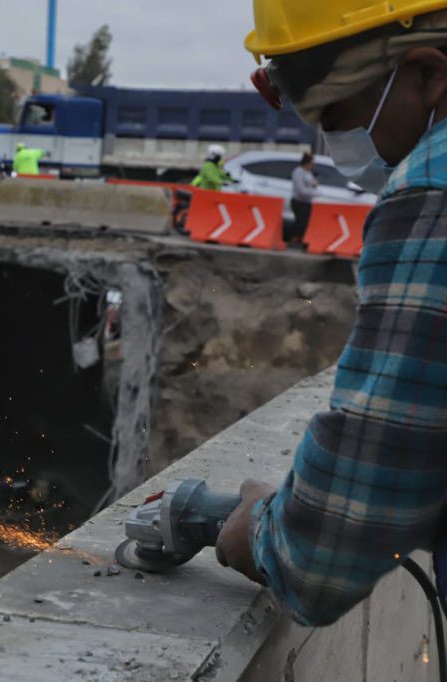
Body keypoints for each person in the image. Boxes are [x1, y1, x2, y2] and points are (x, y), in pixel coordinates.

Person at [215, 2, 447, 628]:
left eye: (339, 116)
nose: (334, 144)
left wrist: (260, 531)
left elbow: (327, 552)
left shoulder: (434, 195)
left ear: (430, 75)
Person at [288, 151, 318, 245]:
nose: (312, 166)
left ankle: (301, 239)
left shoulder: (308, 173)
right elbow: (301, 190)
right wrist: (315, 193)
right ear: (307, 162)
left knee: (305, 223)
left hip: (307, 202)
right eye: (311, 164)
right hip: (299, 201)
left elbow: (313, 183)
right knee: (300, 222)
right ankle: (296, 240)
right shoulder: (298, 172)